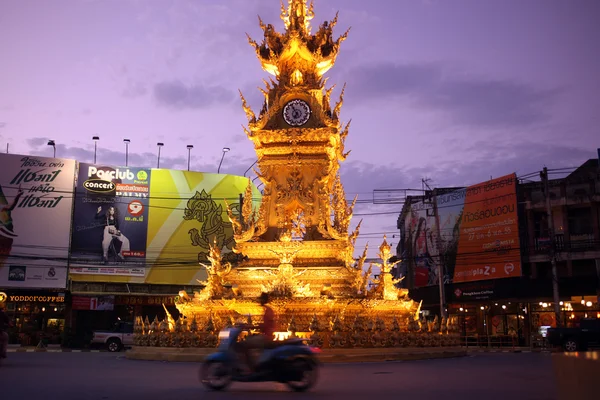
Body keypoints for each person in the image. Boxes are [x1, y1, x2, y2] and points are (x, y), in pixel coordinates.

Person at [240, 292, 275, 373]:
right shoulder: (267, 309)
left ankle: (251, 368)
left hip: (267, 337)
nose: (260, 301)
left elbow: (267, 325)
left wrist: (252, 327)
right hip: (266, 335)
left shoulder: (269, 310)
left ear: (264, 300)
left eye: (261, 299)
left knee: (246, 344)